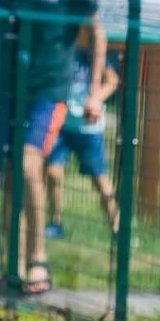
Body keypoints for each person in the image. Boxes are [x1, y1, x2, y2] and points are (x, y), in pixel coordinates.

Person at [0, 0, 102, 295]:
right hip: (10, 86)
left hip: (50, 89)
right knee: (9, 174)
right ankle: (13, 263)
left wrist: (93, 93)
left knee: (29, 164)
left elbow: (95, 30)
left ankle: (37, 260)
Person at [44, 46, 120, 238]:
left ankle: (117, 227)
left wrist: (95, 99)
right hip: (61, 123)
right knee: (53, 173)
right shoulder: (66, 50)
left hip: (88, 128)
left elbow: (112, 81)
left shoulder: (98, 55)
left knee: (99, 178)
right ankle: (55, 222)